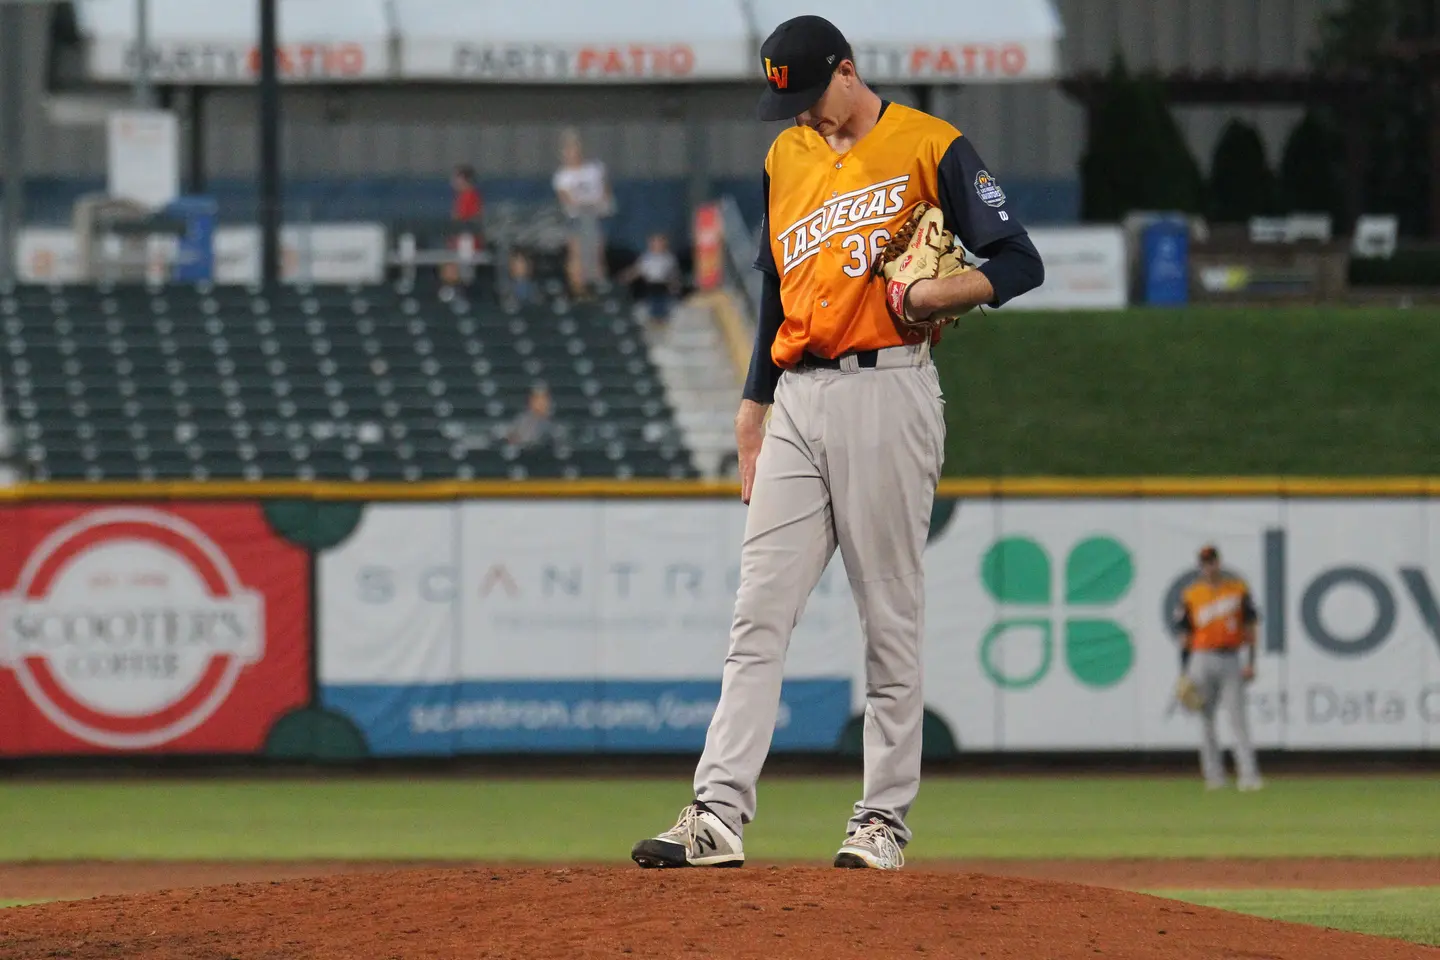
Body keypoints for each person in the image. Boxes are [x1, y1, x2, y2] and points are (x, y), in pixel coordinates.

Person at [631, 15, 1043, 871]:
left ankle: (882, 821)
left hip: (888, 387)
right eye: (788, 99)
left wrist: (941, 295)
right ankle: (716, 815)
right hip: (797, 396)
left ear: (848, 72)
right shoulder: (788, 154)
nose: (803, 113)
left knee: (888, 618)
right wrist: (753, 402)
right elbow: (779, 282)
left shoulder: (932, 145)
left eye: (811, 94)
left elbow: (1018, 259)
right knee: (757, 612)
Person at [1173, 544, 1264, 792]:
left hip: (1231, 657)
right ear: (1200, 567)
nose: (1209, 566)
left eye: (1212, 561)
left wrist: (1251, 662)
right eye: (1205, 563)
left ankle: (1248, 775)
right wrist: (1184, 671)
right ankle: (1214, 776)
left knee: (1238, 718)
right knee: (1206, 719)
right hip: (1201, 658)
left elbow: (1250, 626)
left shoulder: (1237, 590)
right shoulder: (1192, 594)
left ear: (1219, 563)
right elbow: (1185, 634)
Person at [552, 130, 613, 299]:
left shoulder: (595, 168)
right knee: (577, 253)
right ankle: (577, 288)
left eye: (574, 148)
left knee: (596, 252)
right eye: (568, 150)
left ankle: (598, 287)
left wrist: (602, 204)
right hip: (577, 218)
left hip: (596, 216)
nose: (572, 153)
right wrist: (586, 204)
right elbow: (566, 198)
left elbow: (605, 190)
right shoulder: (562, 176)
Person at [618, 232, 682, 326]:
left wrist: (674, 284)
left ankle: (662, 319)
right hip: (650, 285)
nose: (657, 245)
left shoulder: (669, 258)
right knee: (651, 303)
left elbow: (673, 273)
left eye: (660, 242)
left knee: (663, 303)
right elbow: (637, 269)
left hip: (663, 285)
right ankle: (654, 319)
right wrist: (626, 277)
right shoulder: (646, 258)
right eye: (654, 242)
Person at [443, 164, 484, 289]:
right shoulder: (463, 197)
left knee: (464, 278)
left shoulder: (470, 196)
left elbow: (465, 222)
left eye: (456, 178)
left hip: (466, 247)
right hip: (459, 245)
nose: (453, 181)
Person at [504, 383, 562, 449]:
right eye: (536, 398)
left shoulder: (554, 423)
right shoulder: (521, 418)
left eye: (543, 398)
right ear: (531, 400)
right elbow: (510, 436)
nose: (540, 403)